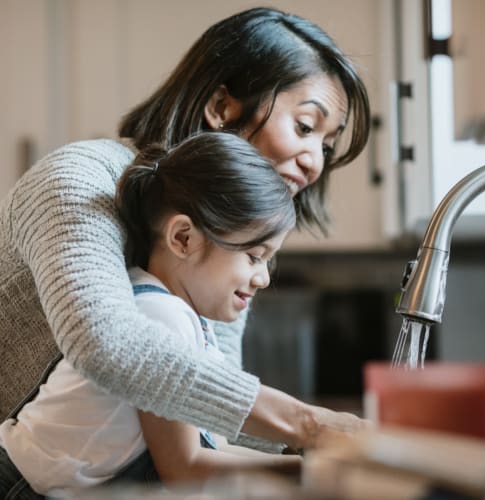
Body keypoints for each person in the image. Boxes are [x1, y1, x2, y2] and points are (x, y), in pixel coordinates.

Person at [0, 5, 371, 488]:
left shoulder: (215, 252)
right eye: (304, 127)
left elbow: (204, 415)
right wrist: (311, 426)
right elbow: (106, 344)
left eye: (326, 144)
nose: (315, 162)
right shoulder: (79, 178)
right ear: (221, 108)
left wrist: (335, 458)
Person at [0, 133, 303, 497]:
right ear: (183, 239)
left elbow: (215, 449)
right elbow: (186, 468)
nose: (264, 278)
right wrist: (312, 468)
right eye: (254, 256)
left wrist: (304, 463)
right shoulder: (161, 316)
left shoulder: (186, 317)